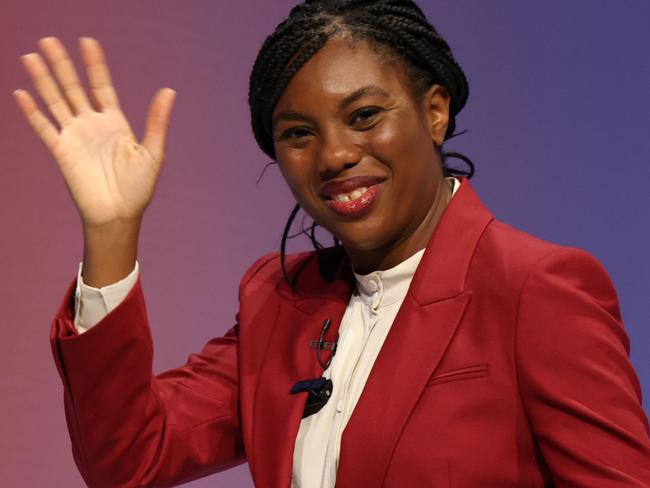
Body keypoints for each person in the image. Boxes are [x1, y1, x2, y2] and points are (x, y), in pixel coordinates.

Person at [14, 0, 650, 486]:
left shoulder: (535, 287)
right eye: (298, 134)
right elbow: (128, 459)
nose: (336, 155)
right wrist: (111, 230)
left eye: (364, 116)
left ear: (435, 111)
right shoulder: (277, 300)